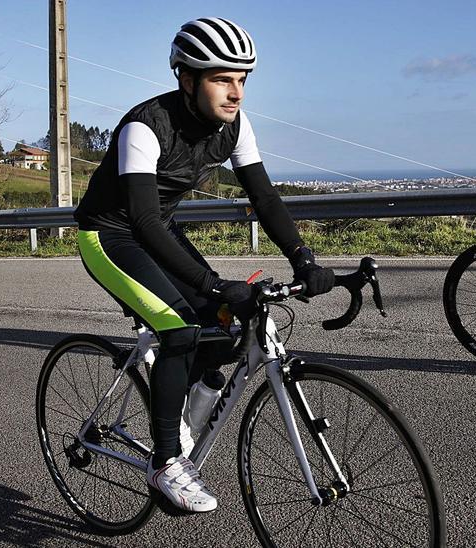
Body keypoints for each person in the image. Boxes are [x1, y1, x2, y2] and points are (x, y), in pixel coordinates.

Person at [72, 18, 335, 513]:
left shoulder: (234, 125)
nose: (235, 92)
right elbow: (144, 220)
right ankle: (165, 462)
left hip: (157, 231)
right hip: (109, 235)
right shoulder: (145, 126)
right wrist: (214, 284)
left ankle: (186, 413)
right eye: (222, 79)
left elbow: (265, 197)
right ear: (188, 79)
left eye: (242, 80)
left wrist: (303, 257)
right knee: (179, 328)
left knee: (232, 324)